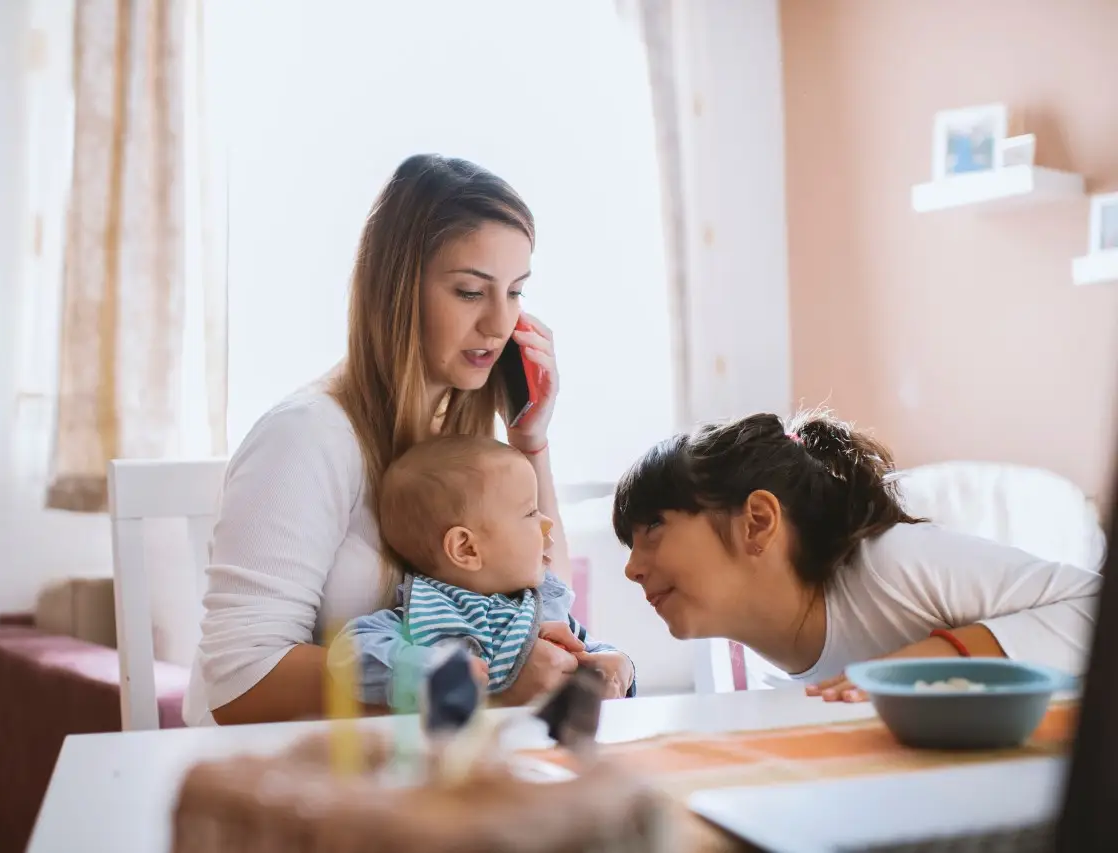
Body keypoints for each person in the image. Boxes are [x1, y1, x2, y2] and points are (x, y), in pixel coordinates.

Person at [185, 154, 582, 726]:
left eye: (515, 292)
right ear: (398, 290)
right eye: (471, 292)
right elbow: (240, 680)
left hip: (411, 771)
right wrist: (482, 688)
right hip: (290, 776)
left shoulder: (456, 448)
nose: (500, 324)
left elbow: (541, 601)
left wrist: (531, 442)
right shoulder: (305, 437)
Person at [612, 410, 1102, 702]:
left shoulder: (890, 565)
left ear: (758, 521)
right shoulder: (734, 662)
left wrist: (922, 666)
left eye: (653, 527)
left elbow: (1094, 608)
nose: (632, 568)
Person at [336, 435, 635, 711]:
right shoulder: (424, 616)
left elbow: (592, 648)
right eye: (530, 512)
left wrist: (618, 666)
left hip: (543, 758)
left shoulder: (542, 608)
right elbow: (349, 653)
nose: (546, 523)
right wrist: (432, 671)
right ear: (466, 549)